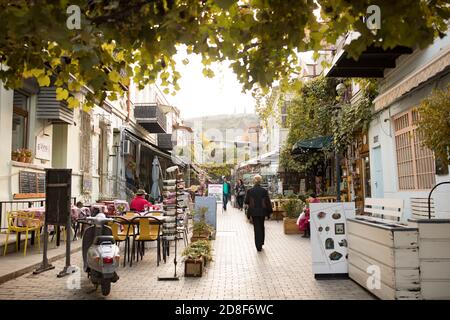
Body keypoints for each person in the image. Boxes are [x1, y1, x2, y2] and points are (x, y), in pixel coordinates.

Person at [244, 175, 273, 252]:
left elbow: (246, 201)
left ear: (254, 181)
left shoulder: (250, 191)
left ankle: (258, 245)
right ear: (260, 181)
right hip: (262, 211)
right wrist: (270, 212)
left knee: (256, 228)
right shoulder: (264, 191)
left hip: (254, 211)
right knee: (262, 226)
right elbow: (267, 202)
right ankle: (262, 242)